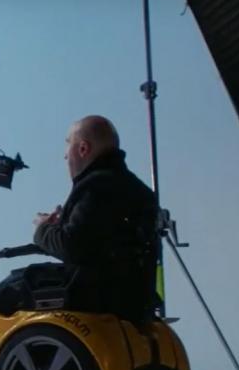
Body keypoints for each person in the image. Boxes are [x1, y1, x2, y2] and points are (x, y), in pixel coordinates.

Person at [27, 115, 160, 323]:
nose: (64, 156)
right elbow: (100, 238)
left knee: (12, 292)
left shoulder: (96, 188)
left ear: (83, 149)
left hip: (98, 303)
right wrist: (63, 223)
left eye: (67, 145)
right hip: (137, 303)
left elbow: (72, 245)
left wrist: (43, 229)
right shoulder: (139, 191)